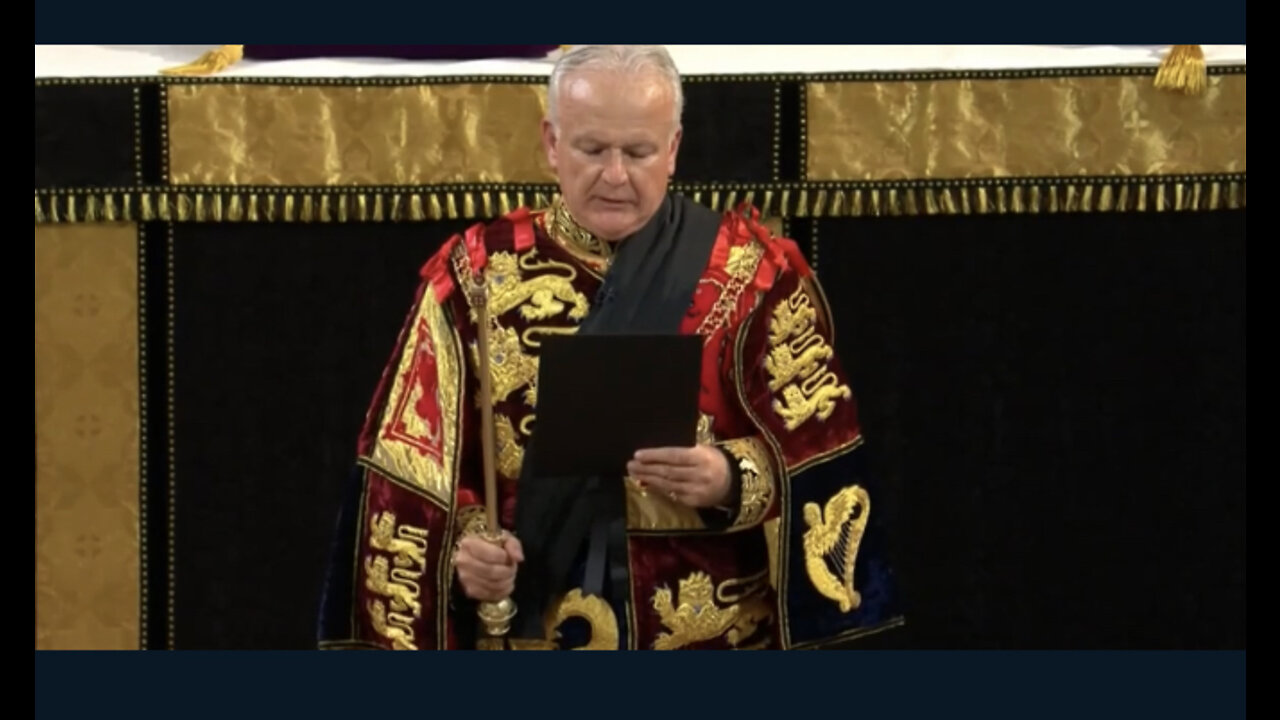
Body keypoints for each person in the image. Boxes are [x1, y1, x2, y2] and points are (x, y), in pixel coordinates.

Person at [316, 44, 902, 650]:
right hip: (528, 626)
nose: (615, 175)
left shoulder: (753, 276)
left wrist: (732, 478)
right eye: (592, 150)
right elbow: (409, 471)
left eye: (639, 152)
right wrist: (470, 546)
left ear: (673, 149)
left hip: (710, 633)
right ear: (551, 143)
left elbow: (823, 458)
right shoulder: (475, 277)